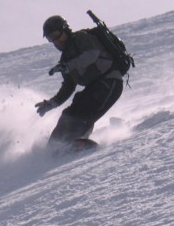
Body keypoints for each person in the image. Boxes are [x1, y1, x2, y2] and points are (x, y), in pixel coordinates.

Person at [35, 15, 124, 151]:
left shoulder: (81, 38)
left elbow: (92, 54)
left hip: (110, 82)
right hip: (94, 87)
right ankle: (54, 147)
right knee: (68, 114)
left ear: (65, 29)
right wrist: (52, 103)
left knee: (84, 112)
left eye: (57, 35)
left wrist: (68, 66)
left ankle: (79, 142)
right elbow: (69, 86)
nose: (56, 41)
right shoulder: (65, 59)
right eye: (51, 39)